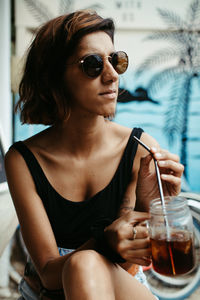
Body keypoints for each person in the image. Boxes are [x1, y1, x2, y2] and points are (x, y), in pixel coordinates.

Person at [5, 9, 184, 300]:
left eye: (116, 60)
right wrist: (106, 241)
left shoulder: (140, 149)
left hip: (121, 284)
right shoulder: (23, 160)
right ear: (55, 77)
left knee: (84, 262)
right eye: (93, 64)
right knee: (82, 263)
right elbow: (50, 274)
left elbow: (130, 266)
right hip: (49, 293)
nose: (113, 75)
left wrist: (155, 206)